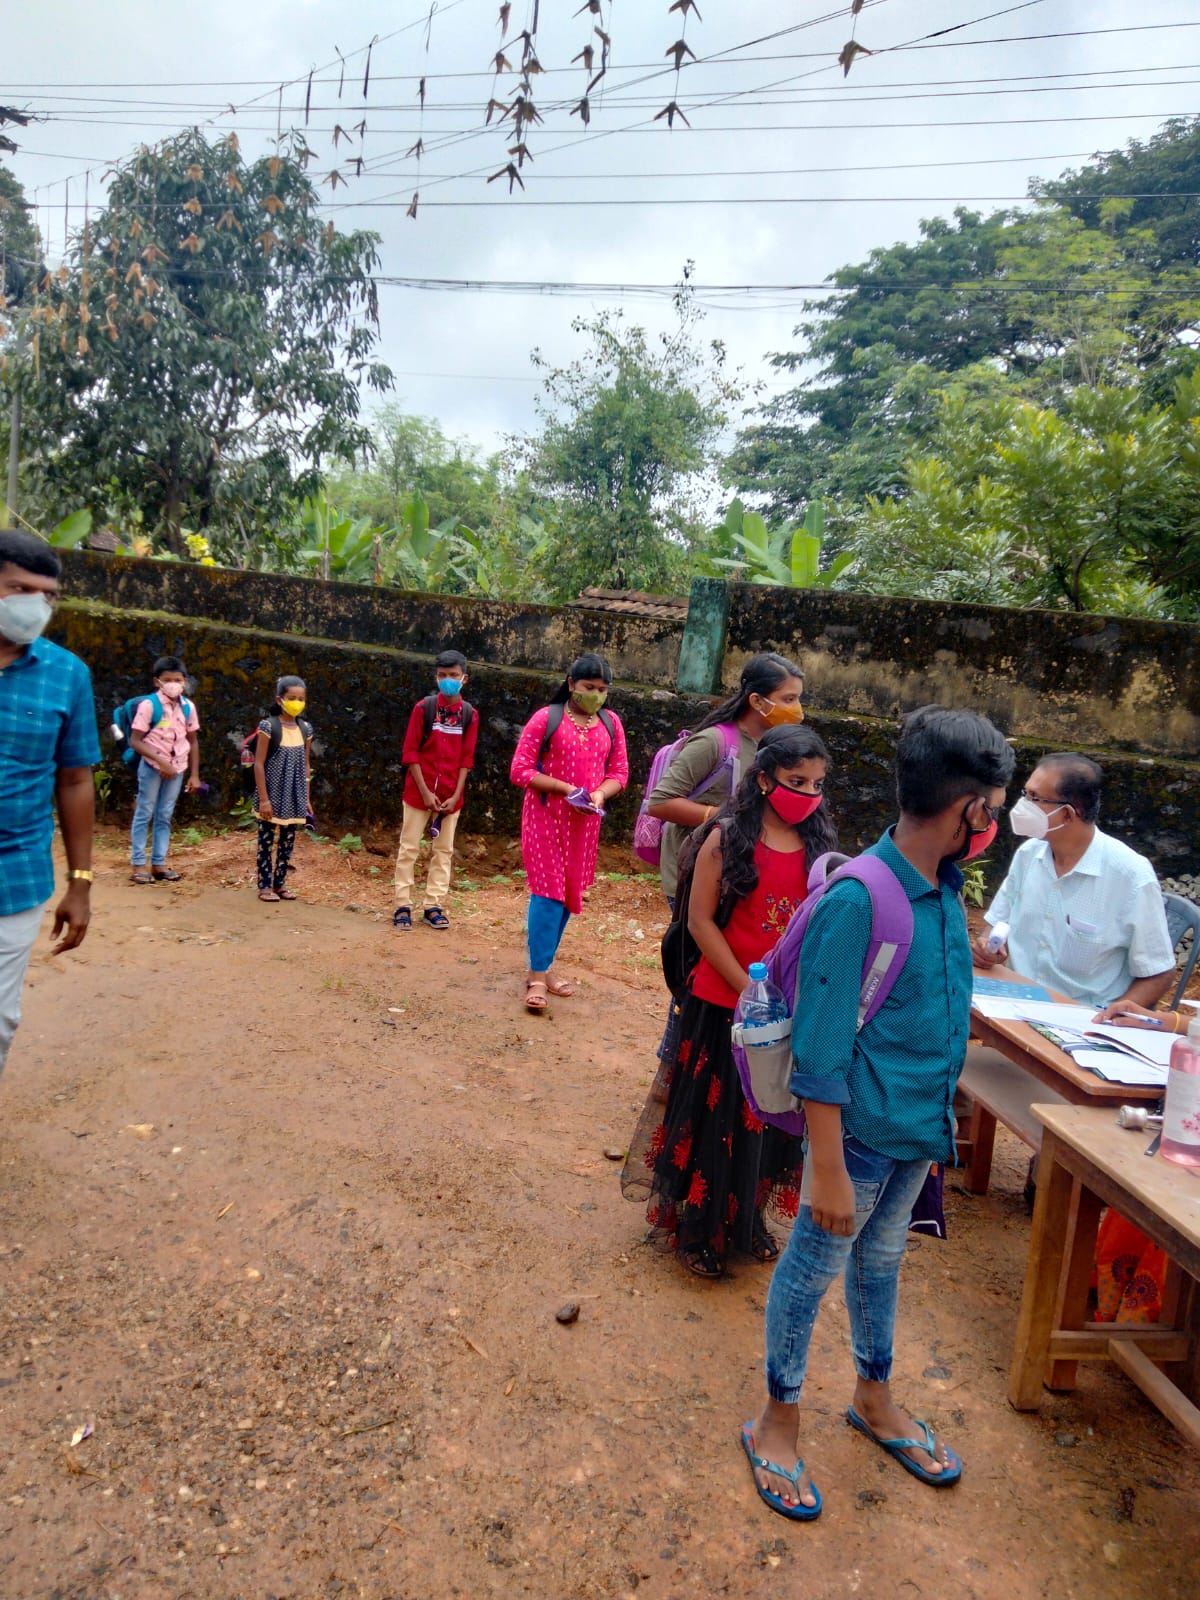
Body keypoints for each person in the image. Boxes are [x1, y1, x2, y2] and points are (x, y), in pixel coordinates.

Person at [744, 706, 1014, 1521]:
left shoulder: (943, 891)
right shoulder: (862, 898)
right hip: (858, 1139)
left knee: (882, 1262)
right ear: (969, 809)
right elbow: (821, 1052)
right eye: (994, 811)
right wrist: (826, 1167)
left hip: (915, 1130)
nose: (995, 826)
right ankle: (777, 1419)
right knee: (810, 1269)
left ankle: (873, 1394)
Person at [622, 725, 837, 1279]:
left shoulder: (820, 847)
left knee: (767, 1117)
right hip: (723, 1003)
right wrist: (748, 988)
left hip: (784, 1012)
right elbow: (699, 921)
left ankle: (747, 1220)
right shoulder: (726, 836)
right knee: (716, 1117)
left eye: (817, 784)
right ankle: (700, 1227)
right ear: (763, 778)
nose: (808, 794)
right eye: (796, 781)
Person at [645, 651, 806, 1062]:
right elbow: (660, 801)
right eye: (788, 699)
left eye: (798, 699)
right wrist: (724, 817)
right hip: (695, 878)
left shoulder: (774, 749)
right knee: (697, 970)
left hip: (740, 881)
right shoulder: (715, 743)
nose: (797, 710)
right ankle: (674, 1065)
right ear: (757, 701)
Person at [0, 529, 101, 1077]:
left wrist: (80, 882)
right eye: (20, 589)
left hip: (13, 875)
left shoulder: (67, 675)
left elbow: (76, 779)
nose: (35, 605)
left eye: (48, 595)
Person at [972, 753, 1174, 1010]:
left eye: (1034, 798)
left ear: (1068, 814)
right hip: (1011, 1003)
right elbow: (996, 924)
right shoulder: (1028, 855)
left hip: (1080, 1018)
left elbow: (1158, 973)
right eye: (1025, 794)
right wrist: (987, 947)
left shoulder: (1131, 876)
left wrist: (1107, 1020)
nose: (1023, 804)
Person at [510, 652, 629, 1013]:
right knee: (548, 894)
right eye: (589, 687)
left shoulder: (611, 723)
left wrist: (599, 794)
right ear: (571, 683)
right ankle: (536, 976)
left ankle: (544, 967)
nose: (595, 695)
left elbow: (619, 773)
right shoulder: (546, 719)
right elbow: (520, 770)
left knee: (567, 895)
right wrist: (564, 789)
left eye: (603, 689)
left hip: (584, 825)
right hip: (545, 818)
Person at [393, 649, 479, 932]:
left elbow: (466, 759)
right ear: (435, 677)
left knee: (443, 851)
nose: (447, 680)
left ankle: (433, 905)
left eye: (453, 675)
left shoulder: (469, 715)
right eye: (442, 675)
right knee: (409, 848)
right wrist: (425, 792)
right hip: (418, 794)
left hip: (450, 798)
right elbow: (411, 753)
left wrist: (456, 795)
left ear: (464, 678)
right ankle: (402, 905)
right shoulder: (424, 709)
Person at [127, 655, 201, 884]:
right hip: (152, 767)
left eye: (177, 680)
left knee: (165, 814)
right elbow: (135, 740)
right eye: (167, 680)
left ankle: (159, 862)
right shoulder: (149, 706)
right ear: (156, 681)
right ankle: (138, 863)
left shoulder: (188, 707)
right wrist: (161, 762)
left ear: (185, 681)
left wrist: (194, 775)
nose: (173, 684)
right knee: (144, 812)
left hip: (177, 767)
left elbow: (193, 741)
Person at [253, 675, 312, 904]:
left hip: (294, 794)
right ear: (280, 700)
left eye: (301, 699)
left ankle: (280, 883)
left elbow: (305, 765)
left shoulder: (305, 729)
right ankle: (264, 885)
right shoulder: (269, 726)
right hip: (272, 793)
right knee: (266, 841)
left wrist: (306, 797)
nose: (297, 702)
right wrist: (264, 799)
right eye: (292, 698)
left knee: (288, 841)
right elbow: (259, 763)